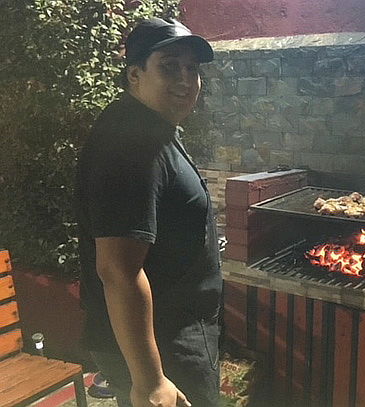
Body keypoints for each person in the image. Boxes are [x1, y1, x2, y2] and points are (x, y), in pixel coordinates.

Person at [76, 17, 222, 407]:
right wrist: (151, 380)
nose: (185, 79)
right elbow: (118, 270)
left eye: (191, 68)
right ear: (135, 75)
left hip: (172, 334)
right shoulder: (131, 143)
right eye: (169, 66)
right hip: (165, 345)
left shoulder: (148, 127)